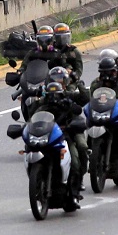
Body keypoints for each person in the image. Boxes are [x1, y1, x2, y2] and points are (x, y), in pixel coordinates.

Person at [39, 66, 89, 197]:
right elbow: (34, 116)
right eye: (56, 79)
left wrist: (78, 82)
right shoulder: (45, 99)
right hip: (50, 134)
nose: (58, 82)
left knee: (81, 149)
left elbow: (85, 98)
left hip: (69, 132)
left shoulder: (70, 95)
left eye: (61, 79)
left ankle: (78, 180)